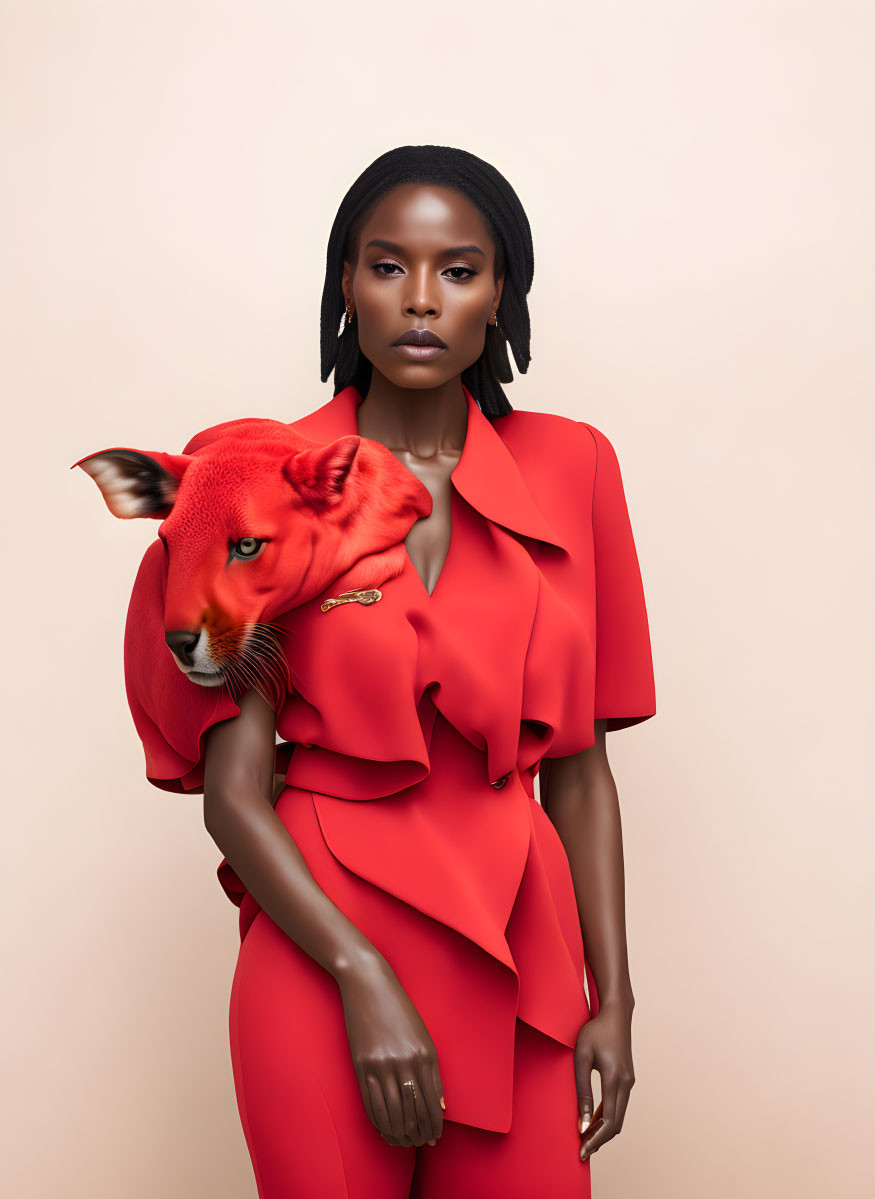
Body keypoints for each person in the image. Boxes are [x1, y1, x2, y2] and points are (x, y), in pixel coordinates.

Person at [120, 145, 656, 1198]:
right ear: (344, 288)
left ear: (502, 293)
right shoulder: (260, 475)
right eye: (385, 266)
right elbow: (232, 796)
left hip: (519, 933)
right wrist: (361, 974)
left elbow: (582, 770)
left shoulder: (574, 464)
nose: (420, 300)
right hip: (321, 937)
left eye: (458, 269)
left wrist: (613, 995)